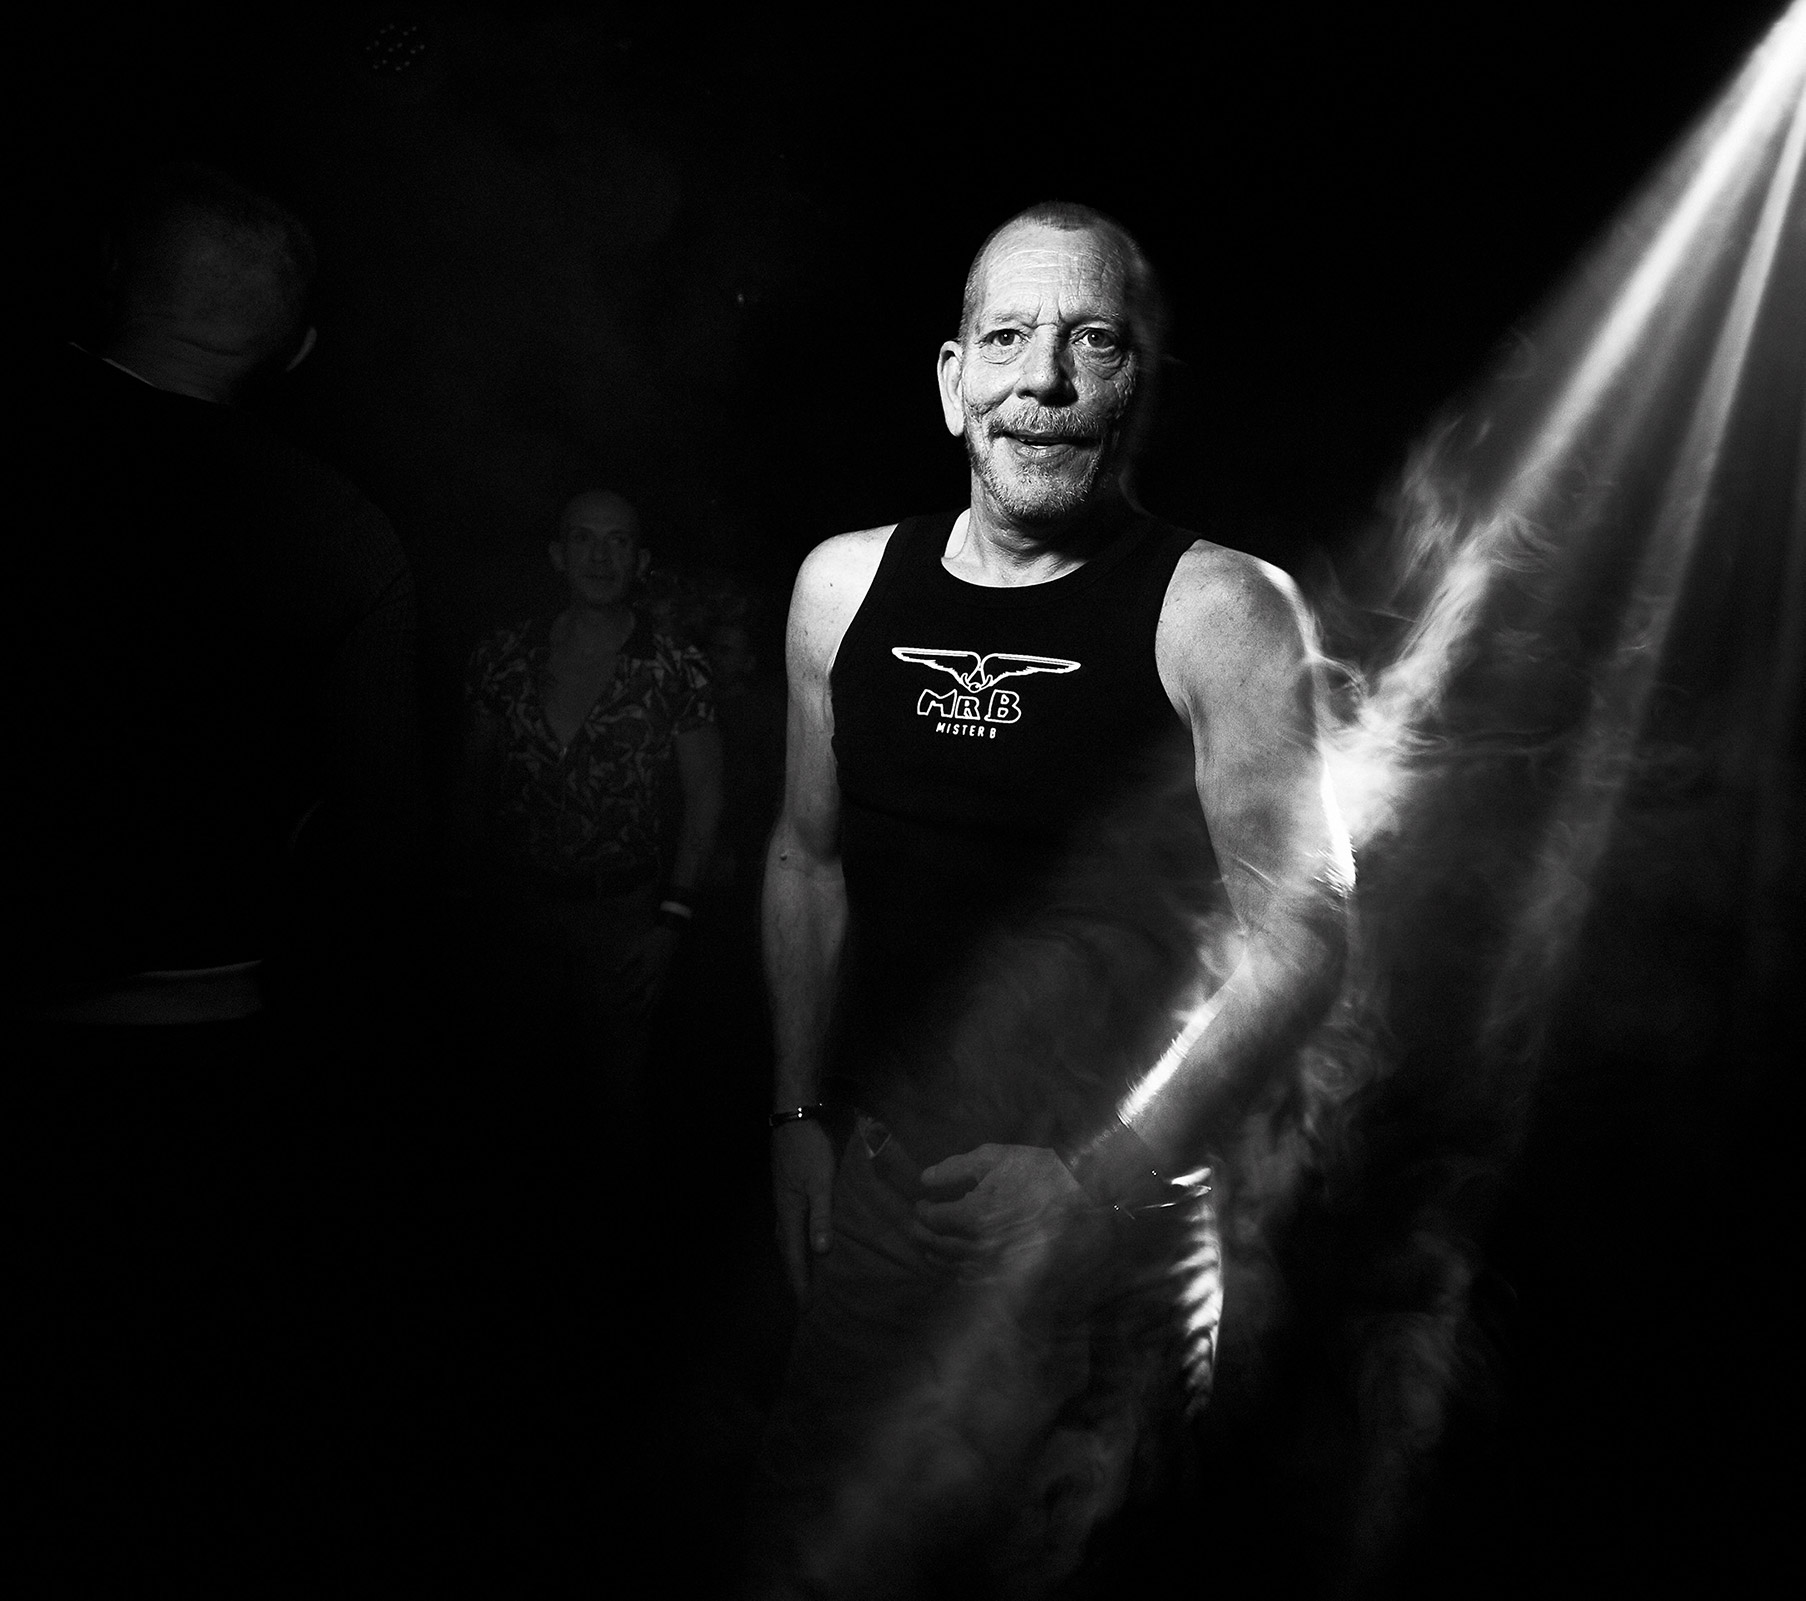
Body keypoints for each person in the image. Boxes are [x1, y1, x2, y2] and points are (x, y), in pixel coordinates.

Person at [753, 202, 1354, 1596]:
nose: (1045, 377)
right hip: (888, 1202)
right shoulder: (840, 587)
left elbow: (1305, 931)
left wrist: (1099, 1183)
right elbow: (803, 858)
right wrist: (793, 1116)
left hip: (1117, 1222)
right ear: (951, 378)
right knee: (819, 1548)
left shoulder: (1220, 609)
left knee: (1092, 1562)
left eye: (1094, 340)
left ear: (1139, 383)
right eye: (1009, 337)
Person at [13, 163, 425, 1586]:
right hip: (197, 1074)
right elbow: (380, 851)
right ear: (297, 347)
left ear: (116, 281)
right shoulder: (339, 529)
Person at [457, 490, 724, 1109]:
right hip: (514, 913)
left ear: (641, 561)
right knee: (507, 1095)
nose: (600, 557)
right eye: (584, 538)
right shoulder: (504, 657)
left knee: (615, 1103)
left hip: (621, 920)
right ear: (558, 554)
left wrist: (671, 923)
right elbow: (468, 782)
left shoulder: (675, 668)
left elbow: (706, 799)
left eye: (618, 541)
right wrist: (459, 902)